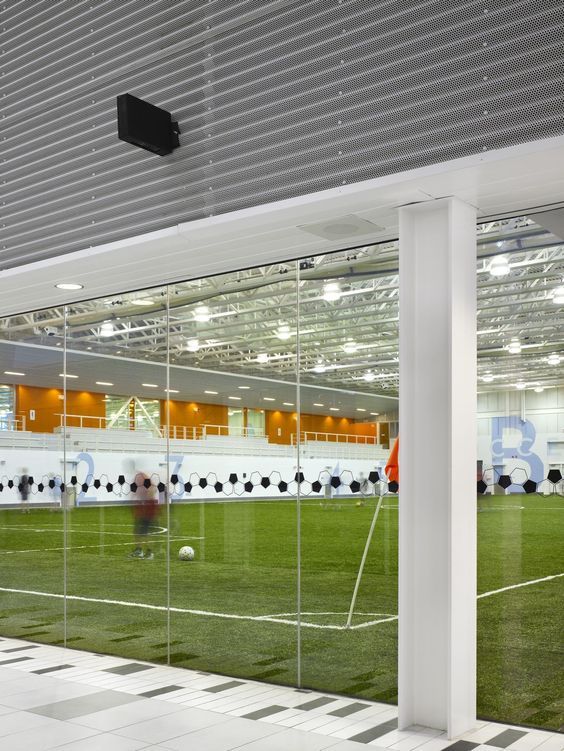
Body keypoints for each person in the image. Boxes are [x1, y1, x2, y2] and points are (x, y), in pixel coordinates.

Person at [129, 470, 159, 559]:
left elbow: (152, 489)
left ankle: (150, 553)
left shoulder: (143, 476)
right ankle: (139, 550)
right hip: (142, 509)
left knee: (145, 532)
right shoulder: (137, 478)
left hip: (147, 509)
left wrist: (148, 500)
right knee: (137, 531)